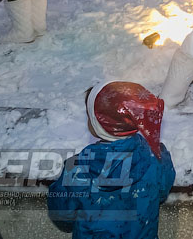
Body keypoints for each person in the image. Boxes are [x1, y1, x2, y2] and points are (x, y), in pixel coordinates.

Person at [47, 81, 175, 239]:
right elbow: (162, 192)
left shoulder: (78, 168)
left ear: (99, 124)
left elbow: (62, 215)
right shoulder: (156, 157)